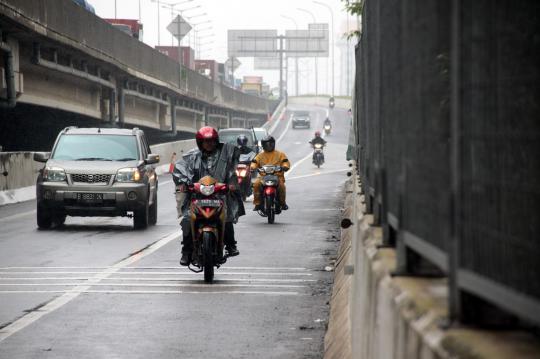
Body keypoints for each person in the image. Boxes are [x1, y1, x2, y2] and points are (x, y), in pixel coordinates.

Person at [172, 126, 245, 266]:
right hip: (197, 197)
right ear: (200, 143)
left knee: (227, 216)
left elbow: (232, 173)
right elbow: (180, 168)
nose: (209, 144)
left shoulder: (225, 155)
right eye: (206, 141)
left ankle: (231, 245)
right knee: (187, 219)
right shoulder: (192, 156)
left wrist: (231, 185)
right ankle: (186, 252)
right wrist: (183, 183)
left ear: (216, 141)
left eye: (211, 141)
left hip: (219, 196)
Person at [251, 136, 290, 212]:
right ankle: (257, 203)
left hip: (277, 176)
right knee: (256, 184)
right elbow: (254, 162)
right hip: (263, 177)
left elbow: (286, 162)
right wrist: (253, 167)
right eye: (267, 144)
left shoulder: (280, 154)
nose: (269, 146)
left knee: (282, 187)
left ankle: (282, 203)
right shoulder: (260, 155)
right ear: (263, 145)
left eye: (271, 144)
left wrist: (284, 167)